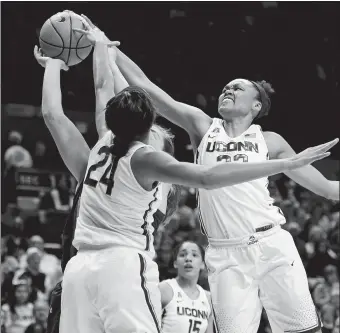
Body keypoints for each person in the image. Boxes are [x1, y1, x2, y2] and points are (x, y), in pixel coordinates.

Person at [57, 17, 337, 333]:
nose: (228, 89)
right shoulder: (203, 126)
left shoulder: (270, 141)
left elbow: (328, 189)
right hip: (224, 251)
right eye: (226, 86)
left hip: (271, 243)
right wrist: (106, 45)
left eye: (238, 87)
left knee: (303, 330)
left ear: (256, 105)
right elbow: (147, 88)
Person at [160, 241, 213, 333]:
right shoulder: (163, 289)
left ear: (202, 264)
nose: (188, 258)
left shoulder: (208, 299)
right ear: (175, 263)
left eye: (194, 255)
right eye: (182, 255)